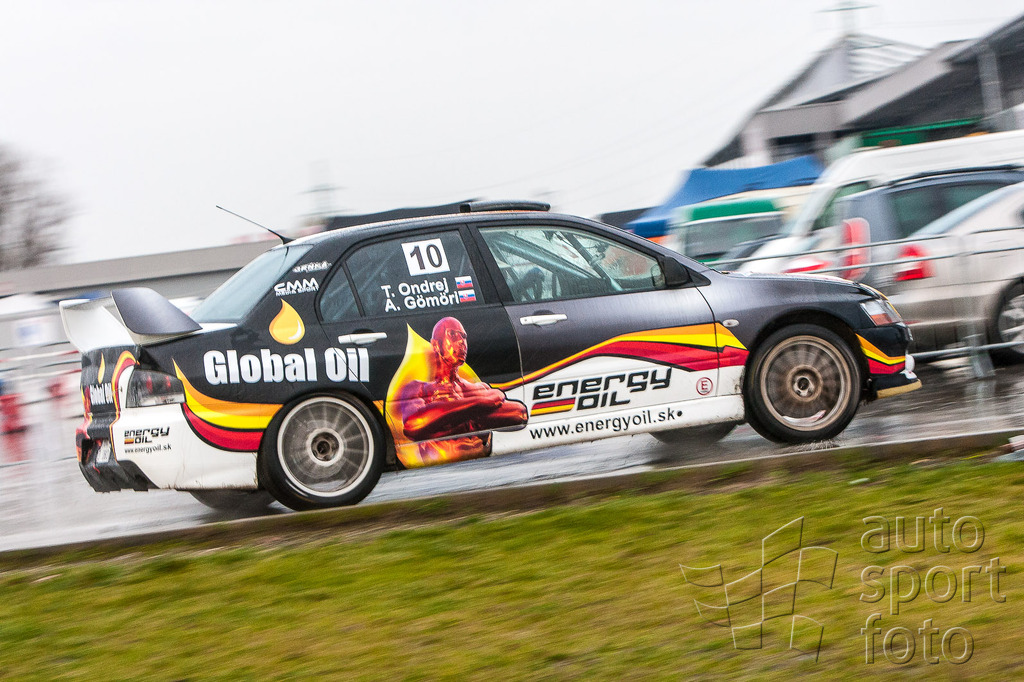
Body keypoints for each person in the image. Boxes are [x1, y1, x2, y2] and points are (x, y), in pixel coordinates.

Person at [398, 317, 527, 464]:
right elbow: (413, 426)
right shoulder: (418, 388)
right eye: (453, 335)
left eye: (463, 337)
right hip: (442, 469)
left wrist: (444, 421)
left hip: (485, 466)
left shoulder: (480, 388)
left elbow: (520, 414)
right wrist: (480, 403)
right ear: (435, 344)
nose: (461, 342)